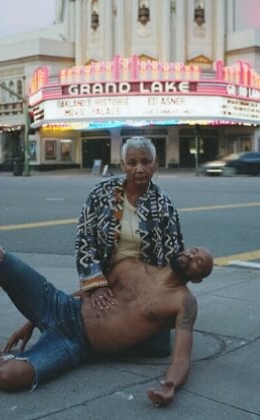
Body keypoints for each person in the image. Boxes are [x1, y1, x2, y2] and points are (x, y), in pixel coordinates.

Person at [0, 245, 214, 407]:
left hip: (75, 344)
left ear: (198, 278)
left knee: (6, 376)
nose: (192, 257)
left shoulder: (183, 302)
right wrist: (31, 320)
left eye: (199, 263)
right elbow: (90, 292)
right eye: (194, 251)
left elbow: (181, 358)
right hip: (62, 306)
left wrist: (170, 385)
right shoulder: (131, 266)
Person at [73, 137, 184, 357]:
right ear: (123, 165)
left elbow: (174, 253)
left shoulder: (164, 204)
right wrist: (96, 285)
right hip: (106, 279)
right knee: (92, 328)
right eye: (132, 163)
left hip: (144, 287)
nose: (139, 169)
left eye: (146, 161)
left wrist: (167, 292)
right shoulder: (100, 194)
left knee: (159, 348)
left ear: (156, 163)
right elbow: (84, 240)